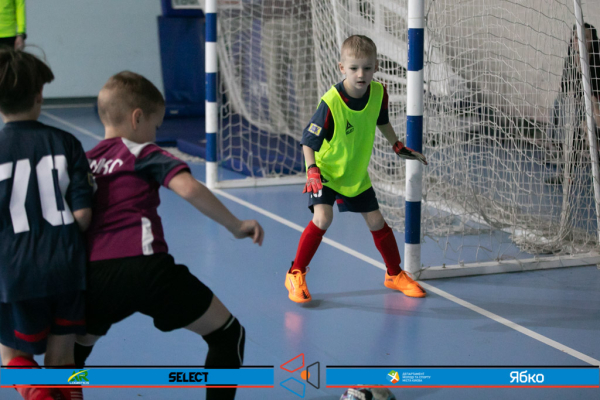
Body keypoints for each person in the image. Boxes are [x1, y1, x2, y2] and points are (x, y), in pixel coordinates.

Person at [73, 71, 264, 400]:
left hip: (95, 276)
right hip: (147, 269)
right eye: (156, 126)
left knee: (72, 352)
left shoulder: (84, 163)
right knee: (227, 334)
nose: (155, 135)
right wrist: (235, 225)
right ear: (137, 118)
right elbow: (188, 187)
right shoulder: (142, 152)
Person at [285, 35, 428, 304]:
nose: (360, 74)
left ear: (376, 67)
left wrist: (396, 144)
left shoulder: (378, 93)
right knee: (323, 218)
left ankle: (394, 274)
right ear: (342, 68)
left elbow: (382, 120)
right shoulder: (331, 102)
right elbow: (308, 140)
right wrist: (312, 170)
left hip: (355, 173)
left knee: (376, 222)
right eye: (353, 68)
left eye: (367, 67)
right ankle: (295, 274)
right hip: (326, 172)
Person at [0, 48, 92, 400]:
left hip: (14, 271)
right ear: (40, 94)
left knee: (12, 356)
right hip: (66, 266)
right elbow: (83, 218)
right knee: (64, 359)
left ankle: (36, 393)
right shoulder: (67, 143)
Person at [547, 23, 600, 185]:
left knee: (582, 121)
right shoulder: (571, 58)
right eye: (577, 37)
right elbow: (564, 89)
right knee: (561, 107)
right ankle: (564, 167)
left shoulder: (597, 61)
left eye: (586, 37)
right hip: (580, 105)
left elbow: (595, 98)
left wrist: (593, 119)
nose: (580, 41)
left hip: (595, 104)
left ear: (593, 41)